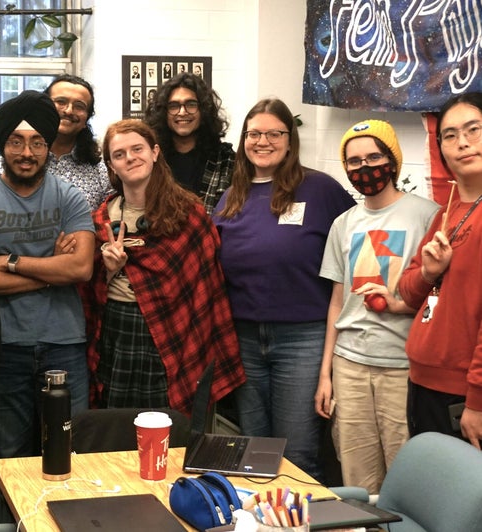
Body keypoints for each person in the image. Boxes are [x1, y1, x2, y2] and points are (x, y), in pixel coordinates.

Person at [213, 98, 355, 479]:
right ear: (243, 140)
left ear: (290, 140)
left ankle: (302, 511)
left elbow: (358, 238)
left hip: (302, 339)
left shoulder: (320, 189)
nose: (263, 142)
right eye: (254, 134)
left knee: (297, 453)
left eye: (273, 133)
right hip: (244, 338)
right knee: (255, 450)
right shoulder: (232, 196)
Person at [0, 90, 95, 458]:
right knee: (11, 453)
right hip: (5, 346)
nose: (27, 152)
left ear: (48, 147)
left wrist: (10, 261)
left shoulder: (69, 197)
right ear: (2, 146)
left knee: (71, 450)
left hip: (64, 343)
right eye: (16, 141)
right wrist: (52, 271)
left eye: (37, 142)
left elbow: (81, 267)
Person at [80, 119, 245, 413]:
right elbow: (87, 290)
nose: (130, 158)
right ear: (111, 165)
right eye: (119, 154)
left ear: (155, 152)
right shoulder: (100, 220)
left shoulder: (188, 214)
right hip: (117, 328)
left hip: (173, 332)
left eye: (137, 149)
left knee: (164, 422)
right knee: (116, 422)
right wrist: (109, 270)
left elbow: (205, 289)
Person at [315, 120, 438, 493]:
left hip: (403, 368)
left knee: (406, 478)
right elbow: (337, 303)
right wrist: (325, 374)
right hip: (349, 366)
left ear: (392, 160)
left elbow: (438, 297)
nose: (364, 167)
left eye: (373, 157)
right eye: (354, 161)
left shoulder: (428, 216)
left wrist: (400, 305)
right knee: (358, 478)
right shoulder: (343, 224)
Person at [399, 92, 482, 448]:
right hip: (423, 382)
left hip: (464, 395)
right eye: (450, 135)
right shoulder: (445, 214)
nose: (462, 142)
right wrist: (429, 273)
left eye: (473, 129)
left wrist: (478, 400)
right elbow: (408, 290)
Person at [0, 75, 112, 210]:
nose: (69, 110)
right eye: (61, 102)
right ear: (44, 109)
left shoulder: (101, 171)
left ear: (87, 118)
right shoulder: (5, 164)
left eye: (79, 106)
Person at [145, 72, 235, 216]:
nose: (182, 112)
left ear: (203, 110)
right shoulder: (151, 158)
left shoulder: (225, 160)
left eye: (191, 104)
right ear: (163, 112)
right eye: (174, 106)